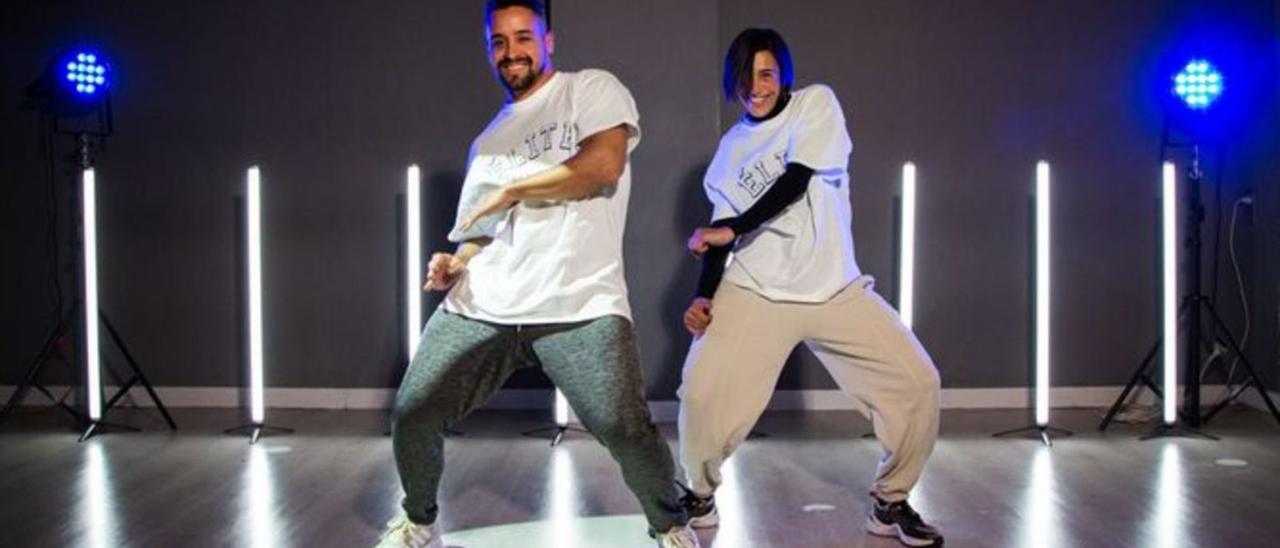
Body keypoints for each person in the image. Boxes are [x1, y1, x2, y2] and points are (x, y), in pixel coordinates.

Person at [377, 2, 697, 547]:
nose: (511, 52)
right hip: (484, 306)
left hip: (580, 304)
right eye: (498, 42)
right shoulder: (487, 143)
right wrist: (455, 263)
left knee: (624, 428)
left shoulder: (591, 90)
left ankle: (670, 524)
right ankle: (418, 521)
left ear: (549, 41)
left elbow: (603, 166)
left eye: (523, 37)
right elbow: (481, 232)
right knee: (413, 411)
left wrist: (514, 187)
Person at [676, 27, 945, 548]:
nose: (757, 87)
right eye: (746, 77)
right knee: (703, 392)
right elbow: (718, 234)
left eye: (767, 74)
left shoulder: (816, 104)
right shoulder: (729, 150)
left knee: (917, 383)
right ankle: (698, 495)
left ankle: (890, 505)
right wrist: (703, 296)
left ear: (783, 76)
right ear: (732, 83)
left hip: (834, 286)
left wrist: (733, 228)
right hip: (755, 288)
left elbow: (796, 179)